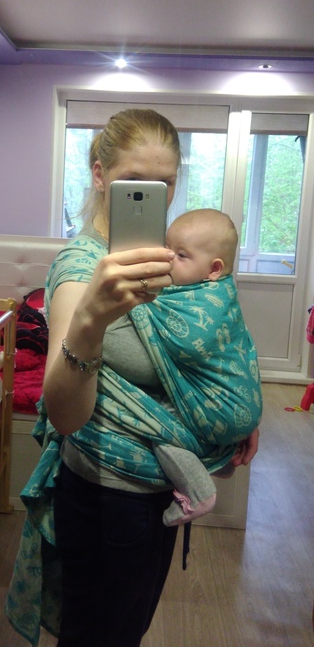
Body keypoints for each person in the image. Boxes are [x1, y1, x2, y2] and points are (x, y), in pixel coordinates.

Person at [6, 109, 260, 647]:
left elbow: (203, 338)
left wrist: (234, 400)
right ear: (100, 175)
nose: (153, 195)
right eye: (133, 181)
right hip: (109, 497)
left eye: (164, 183)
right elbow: (66, 416)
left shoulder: (168, 255)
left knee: (124, 628)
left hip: (154, 491)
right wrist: (91, 318)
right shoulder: (81, 270)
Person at [133, 208, 262, 526]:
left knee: (159, 424)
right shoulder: (203, 288)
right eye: (167, 248)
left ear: (214, 269)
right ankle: (220, 460)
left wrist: (138, 307)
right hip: (242, 407)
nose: (168, 258)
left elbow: (190, 341)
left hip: (224, 408)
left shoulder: (209, 301)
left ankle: (198, 492)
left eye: (180, 255)